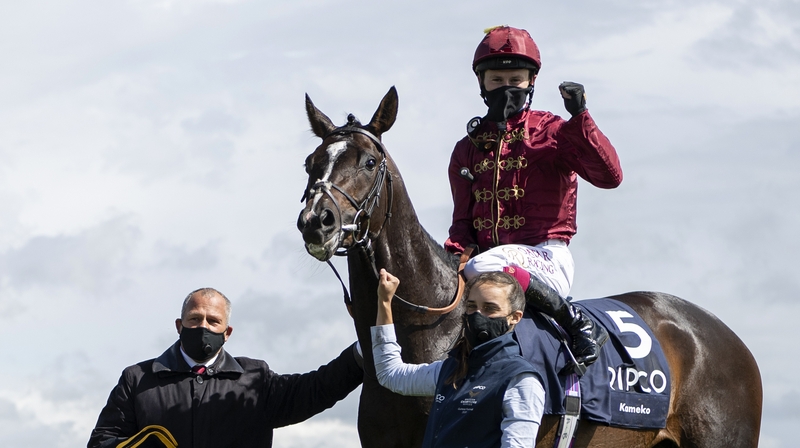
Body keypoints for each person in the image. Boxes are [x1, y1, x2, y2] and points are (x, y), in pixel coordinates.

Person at [444, 25, 623, 368]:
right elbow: (462, 225)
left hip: (546, 258)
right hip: (485, 268)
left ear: (531, 82)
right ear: (482, 83)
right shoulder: (466, 149)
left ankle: (576, 321)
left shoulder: (555, 131)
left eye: (516, 79)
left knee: (485, 263)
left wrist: (581, 119)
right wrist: (450, 262)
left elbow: (610, 177)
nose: (506, 87)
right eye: (497, 80)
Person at [88, 287, 363, 448]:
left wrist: (364, 351)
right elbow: (102, 441)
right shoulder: (137, 380)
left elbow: (318, 388)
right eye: (194, 319)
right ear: (179, 326)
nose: (203, 326)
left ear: (227, 331)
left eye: (213, 320)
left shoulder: (255, 380)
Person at [372, 269, 545, 448]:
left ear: (514, 317)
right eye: (471, 306)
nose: (478, 315)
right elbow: (390, 374)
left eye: (489, 308)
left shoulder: (521, 380)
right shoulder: (449, 369)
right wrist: (384, 302)